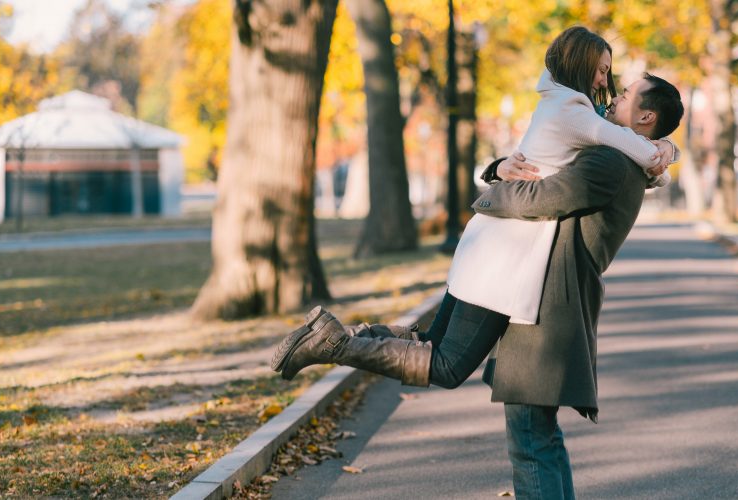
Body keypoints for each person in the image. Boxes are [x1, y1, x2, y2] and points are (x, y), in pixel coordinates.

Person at [271, 32, 684, 497]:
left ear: (645, 117)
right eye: (608, 75)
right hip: (521, 282)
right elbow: (570, 159)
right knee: (526, 428)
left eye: (625, 92)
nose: (614, 89)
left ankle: (338, 342)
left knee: (525, 432)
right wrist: (500, 167)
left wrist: (489, 192)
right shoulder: (608, 146)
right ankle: (341, 341)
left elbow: (543, 196)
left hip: (544, 302)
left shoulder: (611, 161)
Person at [446, 26, 678, 327]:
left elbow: (655, 173)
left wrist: (668, 147)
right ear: (582, 65)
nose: (606, 83)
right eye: (602, 71)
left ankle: (365, 343)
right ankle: (362, 345)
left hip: (499, 239)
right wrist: (663, 148)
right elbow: (647, 160)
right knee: (446, 363)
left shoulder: (565, 105)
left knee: (437, 353)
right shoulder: (575, 115)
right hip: (504, 241)